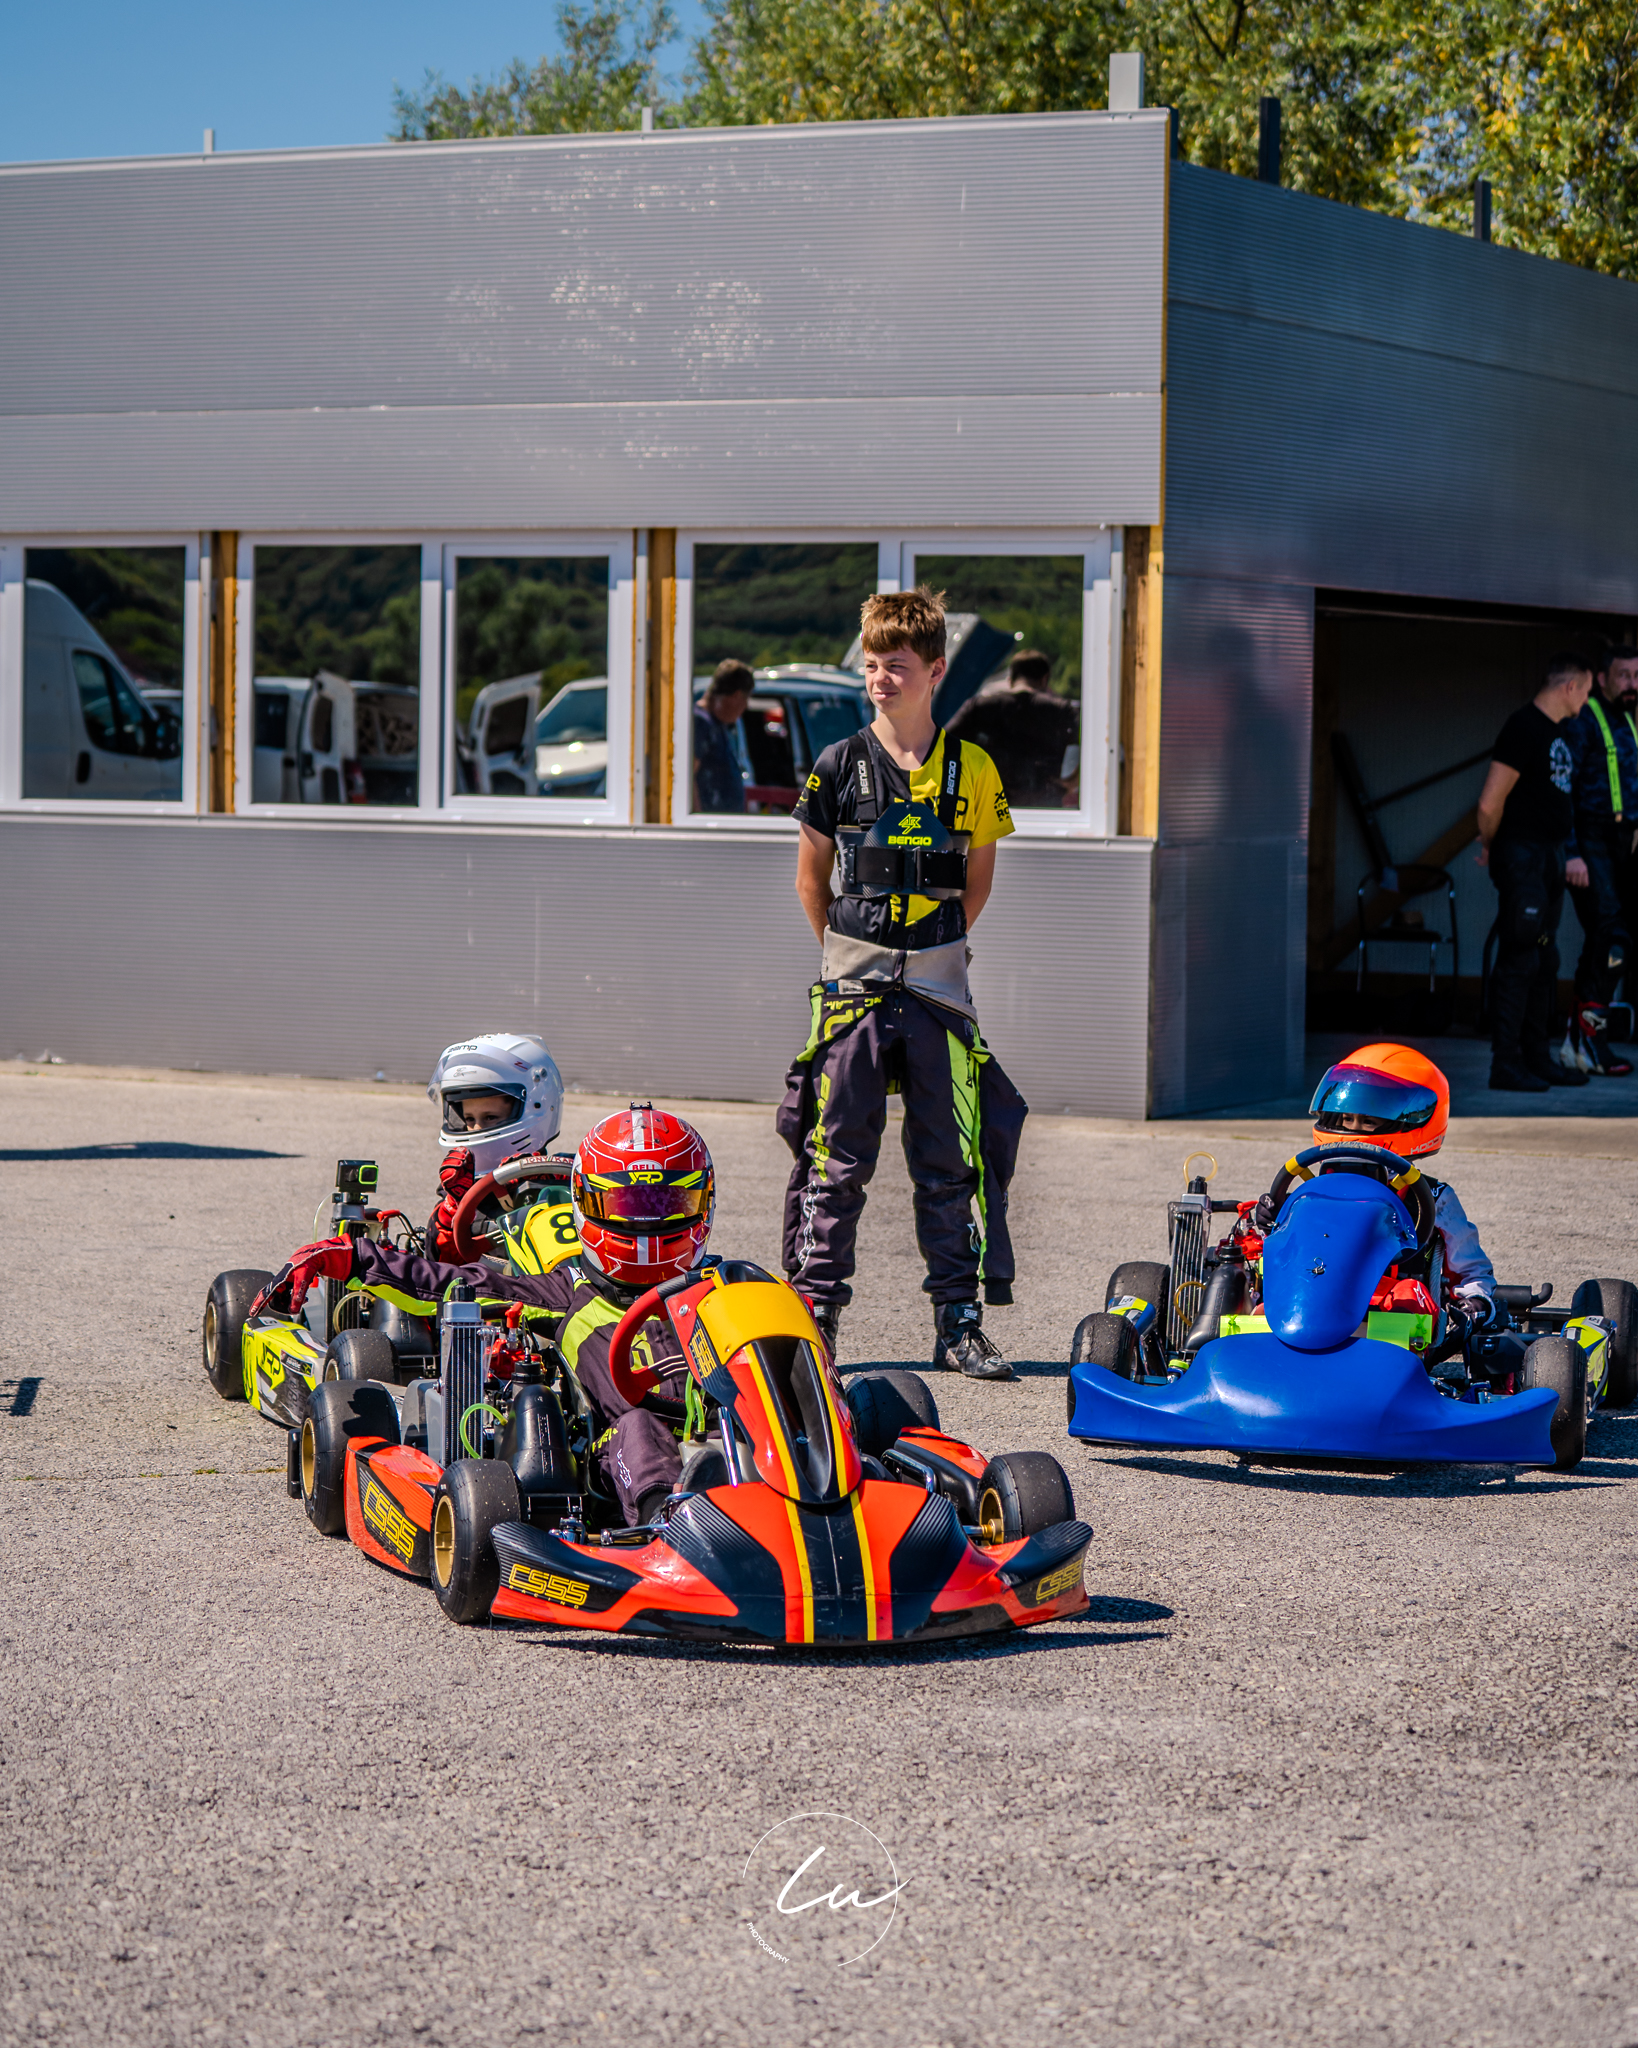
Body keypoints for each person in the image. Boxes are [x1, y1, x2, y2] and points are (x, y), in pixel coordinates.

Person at [779, 587, 1028, 1379]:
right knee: (834, 1159)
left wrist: (926, 956)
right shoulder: (837, 767)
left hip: (939, 997)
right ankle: (814, 1321)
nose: (881, 678)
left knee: (951, 1161)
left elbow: (977, 886)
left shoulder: (973, 770)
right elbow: (809, 882)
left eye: (897, 665)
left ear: (935, 671)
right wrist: (853, 956)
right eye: (873, 665)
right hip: (851, 995)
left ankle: (959, 1323)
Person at [259, 1105, 714, 1527]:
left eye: (669, 1205)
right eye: (627, 1207)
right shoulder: (567, 1291)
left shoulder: (726, 1284)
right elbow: (443, 1285)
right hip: (624, 1462)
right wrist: (353, 1257)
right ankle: (675, 1529)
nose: (648, 1225)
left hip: (738, 1433)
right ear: (589, 1205)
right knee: (640, 1429)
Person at [1252, 1043, 1504, 1343]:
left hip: (1391, 1319)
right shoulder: (1311, 1190)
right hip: (1303, 1304)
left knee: (1410, 1299)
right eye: (1347, 1119)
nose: (1354, 1128)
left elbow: (1472, 1270)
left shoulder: (1431, 1197)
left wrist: (1474, 1302)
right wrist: (1274, 1219)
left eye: (1369, 1120)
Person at [1475, 653, 1593, 1093]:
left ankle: (1536, 1058)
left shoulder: (1556, 732)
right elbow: (1490, 802)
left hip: (1547, 857)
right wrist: (1491, 842)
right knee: (1520, 957)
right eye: (1585, 689)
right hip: (1522, 857)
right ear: (1570, 687)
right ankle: (1505, 1065)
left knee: (1545, 959)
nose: (1586, 699)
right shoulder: (1523, 726)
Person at [1563, 644, 1638, 1076]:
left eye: (1636, 675)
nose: (1631, 684)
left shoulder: (1628, 720)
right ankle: (1591, 1042)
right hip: (1590, 837)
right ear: (1603, 679)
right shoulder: (1585, 719)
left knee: (1608, 940)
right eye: (1623, 675)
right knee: (1611, 938)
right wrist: (1573, 852)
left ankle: (1579, 1043)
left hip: (1622, 841)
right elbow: (1564, 791)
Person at [425, 1033, 566, 1258]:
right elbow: (438, 1262)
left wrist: (540, 1176)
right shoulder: (460, 1185)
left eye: (490, 1117)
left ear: (536, 1106)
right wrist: (456, 1204)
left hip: (544, 1288)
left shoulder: (563, 1177)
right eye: (469, 1119)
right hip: (479, 1289)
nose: (476, 1129)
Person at [944, 649, 1077, 811]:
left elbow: (944, 744)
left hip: (991, 804)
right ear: (1045, 679)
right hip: (1044, 803)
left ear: (1010, 679)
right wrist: (1074, 780)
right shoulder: (1061, 710)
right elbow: (1096, 747)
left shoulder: (981, 707)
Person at [692, 660, 752, 813]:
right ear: (735, 696)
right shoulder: (700, 723)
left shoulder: (716, 724)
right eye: (744, 700)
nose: (743, 708)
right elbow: (688, 777)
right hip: (710, 825)